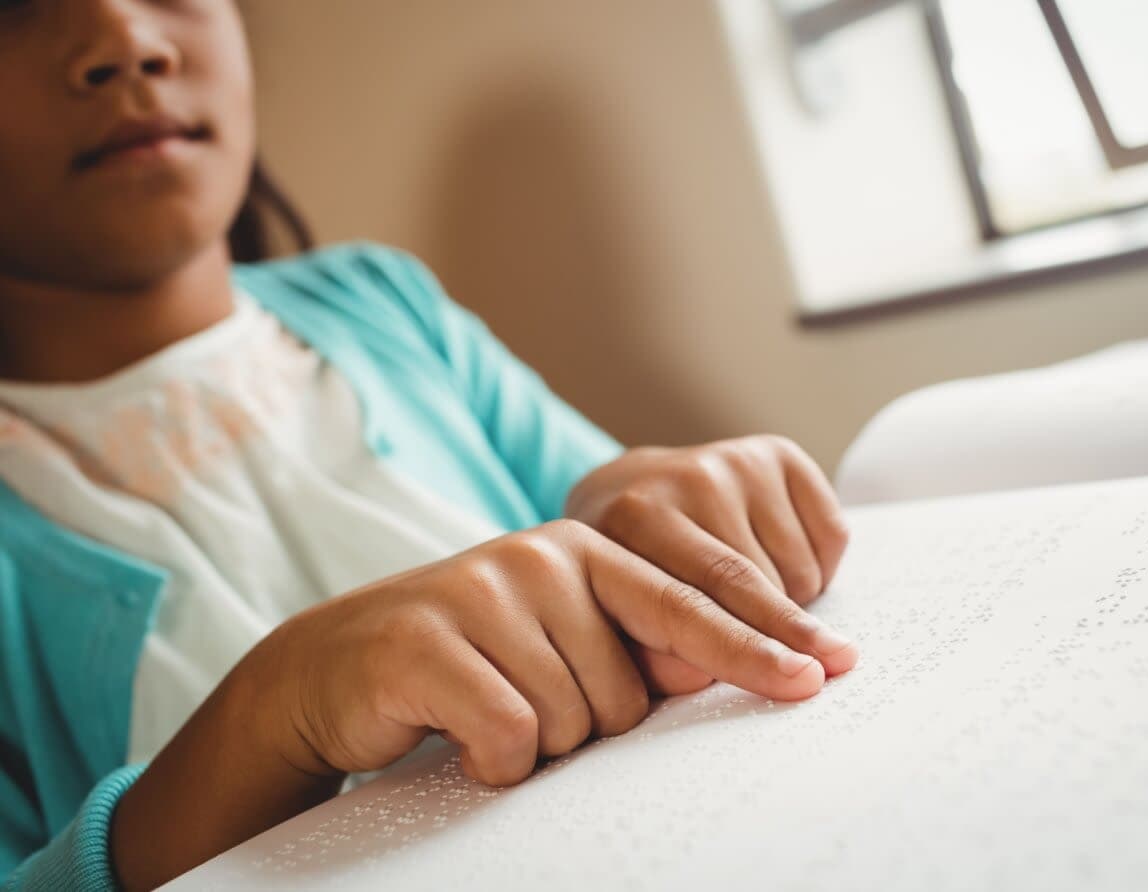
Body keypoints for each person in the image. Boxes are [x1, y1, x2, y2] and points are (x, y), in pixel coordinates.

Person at [0, 2, 859, 890]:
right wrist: (272, 712)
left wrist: (643, 501)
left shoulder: (381, 303)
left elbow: (605, 510)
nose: (127, 42)